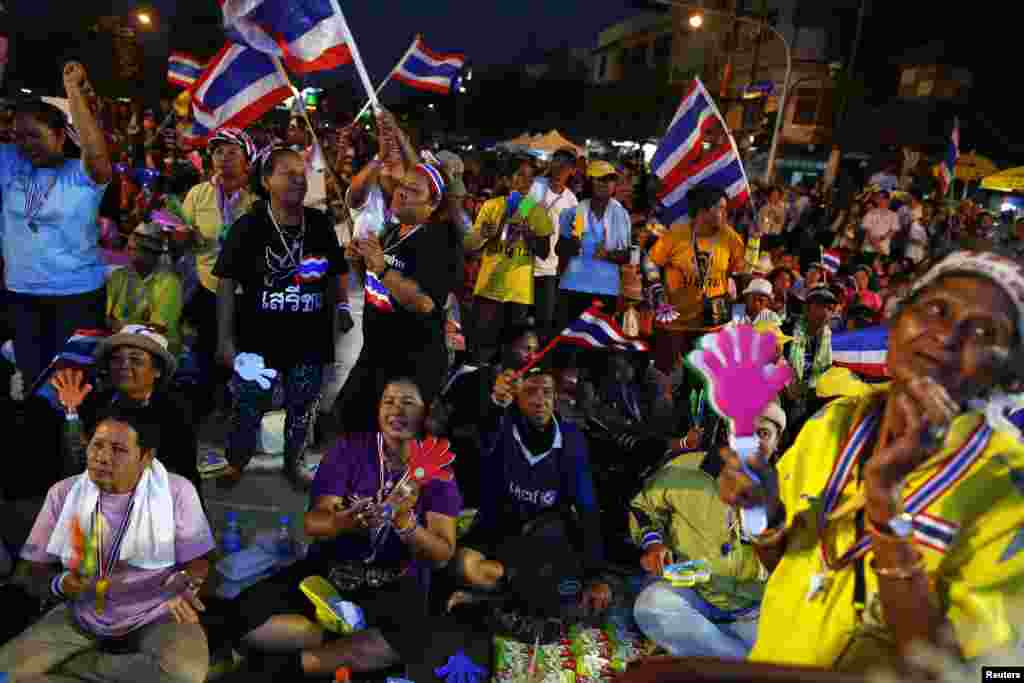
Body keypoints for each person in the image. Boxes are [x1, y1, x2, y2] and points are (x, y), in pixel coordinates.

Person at [720, 250, 1024, 671]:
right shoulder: (834, 420)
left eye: (983, 332)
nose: (947, 336)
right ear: (898, 321)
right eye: (936, 309)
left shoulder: (1006, 485)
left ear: (1009, 374)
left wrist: (887, 512)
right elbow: (784, 564)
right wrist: (762, 513)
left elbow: (986, 673)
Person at [217, 378, 461, 679]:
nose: (396, 410)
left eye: (408, 402)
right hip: (329, 576)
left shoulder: (436, 471)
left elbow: (442, 554)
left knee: (406, 641)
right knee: (240, 620)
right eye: (388, 401)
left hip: (395, 587)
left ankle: (295, 665)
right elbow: (313, 524)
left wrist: (405, 522)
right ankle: (337, 646)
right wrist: (342, 521)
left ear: (427, 412)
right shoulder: (349, 451)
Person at [0, 407, 214, 683]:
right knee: (3, 675)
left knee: (184, 675)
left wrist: (187, 581)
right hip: (82, 614)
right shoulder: (63, 493)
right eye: (97, 445)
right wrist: (60, 584)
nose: (102, 457)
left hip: (157, 612)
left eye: (118, 449)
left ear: (146, 457)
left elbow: (201, 561)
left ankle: (75, 668)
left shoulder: (176, 491)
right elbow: (29, 571)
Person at [213, 147, 348, 489]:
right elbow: (227, 283)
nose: (298, 180)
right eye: (288, 173)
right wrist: (225, 340)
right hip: (257, 339)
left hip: (310, 338)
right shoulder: (248, 225)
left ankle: (294, 462)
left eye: (301, 174)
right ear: (266, 180)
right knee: (246, 405)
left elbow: (336, 274)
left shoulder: (318, 224)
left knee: (303, 409)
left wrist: (341, 312)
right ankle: (236, 461)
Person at [453, 363, 612, 627]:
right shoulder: (502, 425)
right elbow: (480, 436)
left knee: (579, 596)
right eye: (531, 392)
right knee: (464, 565)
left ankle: (500, 602)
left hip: (546, 541)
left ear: (555, 397)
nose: (540, 400)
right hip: (500, 530)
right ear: (517, 396)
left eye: (546, 392)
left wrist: (595, 575)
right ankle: (521, 597)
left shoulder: (571, 438)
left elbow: (586, 507)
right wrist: (495, 403)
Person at [631, 402, 786, 658]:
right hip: (695, 588)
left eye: (764, 434)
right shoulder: (686, 469)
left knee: (792, 650)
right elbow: (643, 507)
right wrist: (653, 543)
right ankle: (739, 662)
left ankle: (717, 657)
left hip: (756, 605)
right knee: (651, 606)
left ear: (777, 441)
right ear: (729, 433)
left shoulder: (790, 484)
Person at [336, 113, 456, 434]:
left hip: (410, 362)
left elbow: (424, 303)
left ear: (432, 205)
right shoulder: (392, 232)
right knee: (347, 416)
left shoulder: (437, 240)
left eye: (413, 191)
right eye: (401, 186)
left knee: (396, 437)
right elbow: (378, 283)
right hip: (376, 352)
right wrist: (360, 258)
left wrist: (382, 266)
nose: (401, 192)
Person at [2, 63, 112, 386]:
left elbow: (96, 151)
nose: (24, 144)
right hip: (23, 296)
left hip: (77, 297)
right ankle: (41, 436)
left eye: (34, 135)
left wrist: (74, 92)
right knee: (35, 381)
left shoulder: (84, 174)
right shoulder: (9, 163)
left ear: (61, 136)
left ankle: (77, 436)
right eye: (17, 136)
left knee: (73, 385)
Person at [49, 325, 201, 497]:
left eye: (136, 360)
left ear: (157, 370)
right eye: (116, 359)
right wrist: (71, 411)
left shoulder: (175, 413)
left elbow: (180, 477)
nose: (124, 366)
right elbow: (77, 463)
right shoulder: (95, 402)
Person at [179, 128, 256, 421]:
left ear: (247, 159)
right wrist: (184, 236)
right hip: (207, 287)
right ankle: (206, 413)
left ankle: (243, 413)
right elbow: (180, 237)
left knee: (246, 355)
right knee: (207, 355)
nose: (224, 158)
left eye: (232, 152)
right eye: (218, 152)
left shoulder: (258, 196)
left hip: (247, 292)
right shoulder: (198, 194)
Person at [648, 186, 747, 376]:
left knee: (704, 380)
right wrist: (655, 285)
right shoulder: (676, 234)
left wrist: (734, 281)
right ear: (703, 211)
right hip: (675, 323)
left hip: (712, 324)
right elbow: (649, 261)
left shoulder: (730, 237)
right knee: (668, 377)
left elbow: (743, 269)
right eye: (721, 208)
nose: (725, 213)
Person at [465, 156, 553, 362]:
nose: (527, 181)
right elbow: (470, 246)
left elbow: (544, 252)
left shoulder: (535, 209)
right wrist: (485, 234)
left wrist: (529, 235)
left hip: (518, 293)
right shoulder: (492, 205)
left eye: (531, 177)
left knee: (512, 353)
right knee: (482, 350)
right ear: (507, 179)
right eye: (521, 175)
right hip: (489, 288)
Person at [556, 161, 631, 326]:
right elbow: (559, 249)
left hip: (606, 289)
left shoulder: (621, 214)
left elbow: (626, 255)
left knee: (598, 347)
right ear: (589, 182)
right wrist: (573, 243)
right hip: (574, 287)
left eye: (610, 179)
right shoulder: (574, 212)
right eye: (600, 179)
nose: (606, 184)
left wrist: (608, 254)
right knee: (569, 343)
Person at [106, 223, 184, 355]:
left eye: (137, 248)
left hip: (159, 347)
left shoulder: (170, 283)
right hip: (121, 343)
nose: (129, 251)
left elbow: (157, 329)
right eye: (130, 247)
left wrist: (122, 327)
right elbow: (107, 318)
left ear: (153, 254)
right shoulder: (118, 276)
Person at [529, 148, 578, 342]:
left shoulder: (572, 201)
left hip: (549, 269)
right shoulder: (536, 186)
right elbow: (522, 213)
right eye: (556, 160)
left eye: (565, 164)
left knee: (544, 322)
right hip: (524, 263)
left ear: (573, 170)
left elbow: (575, 236)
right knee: (517, 318)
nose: (559, 166)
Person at [784, 285, 837, 422]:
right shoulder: (787, 331)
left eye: (830, 309)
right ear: (807, 309)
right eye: (820, 306)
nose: (825, 312)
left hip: (814, 402)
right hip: (785, 400)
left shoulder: (831, 339)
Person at [862, 191, 900, 258]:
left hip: (884, 250)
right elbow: (867, 232)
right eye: (878, 198)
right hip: (868, 249)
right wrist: (876, 246)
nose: (879, 200)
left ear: (888, 200)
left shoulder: (894, 215)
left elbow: (893, 231)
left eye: (881, 198)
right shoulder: (870, 213)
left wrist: (882, 238)